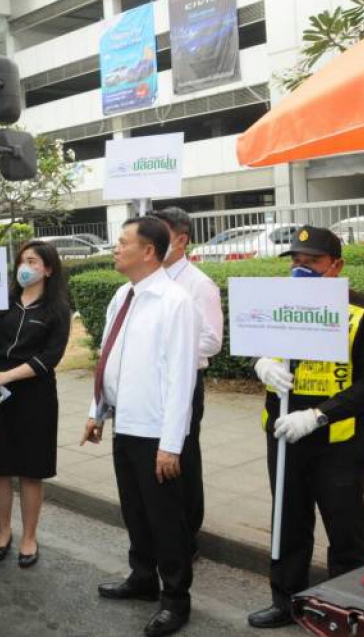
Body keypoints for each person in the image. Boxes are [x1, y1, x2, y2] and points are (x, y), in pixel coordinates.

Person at [247, 225, 364, 629]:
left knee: (345, 532)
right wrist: (260, 363)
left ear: (336, 266)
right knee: (288, 523)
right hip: (283, 435)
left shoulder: (363, 311)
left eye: (311, 262)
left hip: (337, 441)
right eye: (295, 261)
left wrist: (317, 415)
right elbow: (249, 341)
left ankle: (346, 611)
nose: (300, 270)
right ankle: (285, 601)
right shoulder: (277, 305)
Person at [80, 216, 199, 637]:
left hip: (155, 431)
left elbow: (182, 377)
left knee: (166, 517)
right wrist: (98, 411)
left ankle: (175, 598)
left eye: (122, 242)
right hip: (124, 422)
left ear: (148, 251)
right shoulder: (122, 296)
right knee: (135, 510)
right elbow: (110, 359)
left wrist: (171, 445)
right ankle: (142, 577)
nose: (115, 248)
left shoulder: (174, 301)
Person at [0, 240, 71, 569]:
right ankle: (4, 531)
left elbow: (49, 358)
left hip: (34, 396)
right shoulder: (3, 302)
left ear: (48, 269)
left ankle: (29, 537)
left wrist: (8, 375)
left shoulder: (57, 310)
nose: (26, 266)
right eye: (23, 260)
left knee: (30, 471)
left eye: (34, 261)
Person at [148, 207, 224, 557]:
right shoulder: (148, 280)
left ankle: (186, 534)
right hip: (150, 385)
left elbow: (211, 341)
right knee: (154, 457)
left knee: (183, 458)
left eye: (162, 234)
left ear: (181, 240)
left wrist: (167, 350)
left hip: (184, 383)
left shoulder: (198, 284)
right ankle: (159, 531)